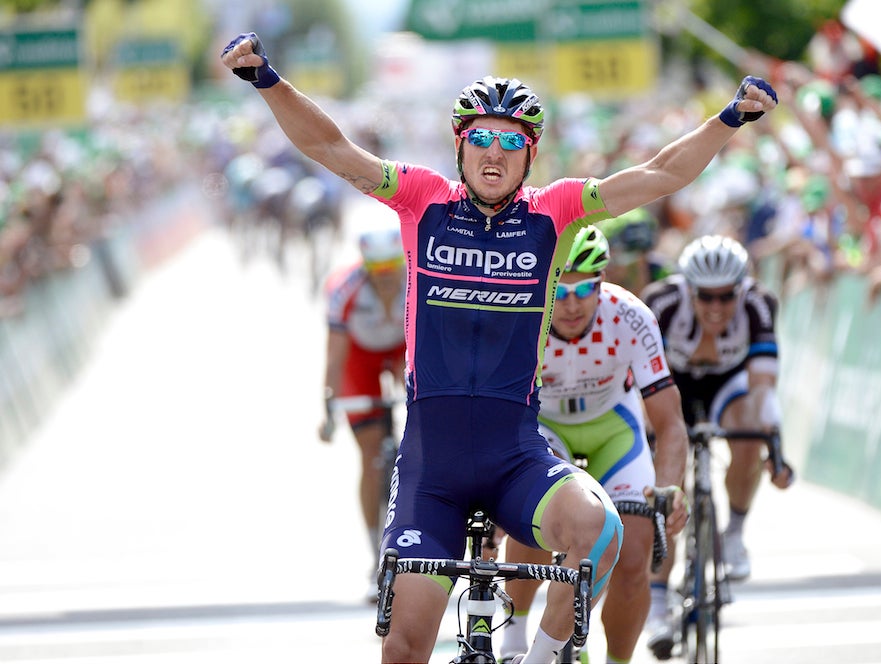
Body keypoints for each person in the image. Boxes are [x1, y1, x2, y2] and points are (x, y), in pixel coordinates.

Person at [220, 32, 777, 664]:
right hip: (433, 469)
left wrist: (730, 118)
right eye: (481, 137)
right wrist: (267, 79)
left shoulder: (557, 212)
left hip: (516, 457)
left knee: (601, 530)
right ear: (459, 145)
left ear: (530, 154)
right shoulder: (421, 197)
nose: (495, 151)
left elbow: (660, 174)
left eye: (512, 141)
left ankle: (537, 660)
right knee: (403, 649)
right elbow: (329, 147)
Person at [498, 226, 689, 664]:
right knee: (536, 506)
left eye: (584, 289)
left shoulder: (631, 316)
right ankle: (514, 638)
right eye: (559, 290)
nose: (571, 303)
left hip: (613, 430)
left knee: (635, 555)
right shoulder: (524, 315)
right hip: (544, 426)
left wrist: (669, 487)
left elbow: (669, 421)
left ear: (602, 281)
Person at [641, 235, 793, 653]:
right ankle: (657, 605)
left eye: (726, 296)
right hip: (671, 385)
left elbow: (763, 389)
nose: (716, 306)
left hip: (728, 385)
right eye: (706, 296)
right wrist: (648, 441)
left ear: (741, 289)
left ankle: (736, 532)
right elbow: (639, 383)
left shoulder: (759, 304)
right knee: (669, 486)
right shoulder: (660, 302)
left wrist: (774, 446)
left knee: (749, 429)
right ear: (688, 288)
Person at [318, 227, 407, 602]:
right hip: (359, 359)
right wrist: (328, 408)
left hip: (402, 350)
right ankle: (376, 558)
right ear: (366, 266)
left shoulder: (415, 278)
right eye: (378, 268)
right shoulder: (346, 290)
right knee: (371, 453)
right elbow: (335, 357)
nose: (386, 276)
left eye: (392, 266)